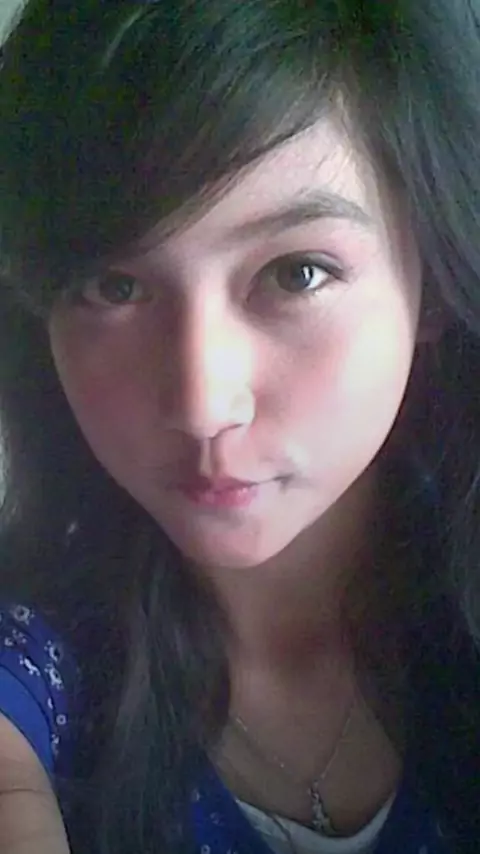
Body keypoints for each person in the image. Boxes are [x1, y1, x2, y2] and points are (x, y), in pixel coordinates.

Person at [0, 1, 478, 852]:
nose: (202, 403)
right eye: (114, 287)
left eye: (297, 273)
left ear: (431, 284)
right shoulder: (45, 654)